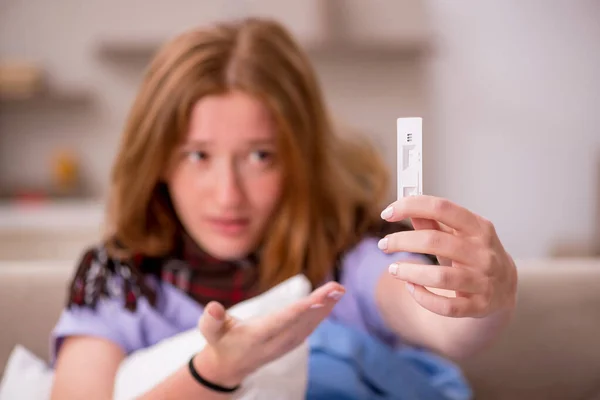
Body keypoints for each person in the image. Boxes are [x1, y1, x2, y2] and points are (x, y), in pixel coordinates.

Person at [49, 17, 517, 399]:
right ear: (158, 163)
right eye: (198, 156)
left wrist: (485, 298)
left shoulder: (349, 256)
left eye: (260, 157)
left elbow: (442, 324)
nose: (228, 194)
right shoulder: (117, 285)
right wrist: (214, 373)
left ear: (299, 159)